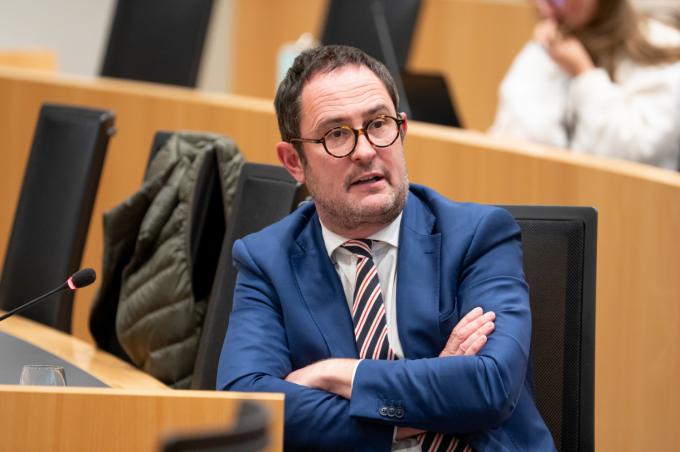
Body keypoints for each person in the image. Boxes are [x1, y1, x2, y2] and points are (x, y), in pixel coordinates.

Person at [217, 45, 554, 451]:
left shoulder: (478, 236)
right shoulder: (266, 260)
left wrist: (337, 374)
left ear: (402, 130)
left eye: (378, 124)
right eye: (336, 134)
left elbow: (490, 385)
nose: (365, 151)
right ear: (294, 161)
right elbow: (248, 403)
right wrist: (426, 400)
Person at [490, 0, 680, 171]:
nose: (547, 10)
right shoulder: (548, 45)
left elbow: (632, 156)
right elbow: (513, 148)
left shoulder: (664, 53)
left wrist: (584, 73)